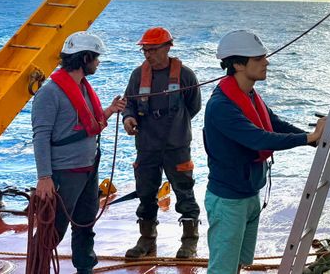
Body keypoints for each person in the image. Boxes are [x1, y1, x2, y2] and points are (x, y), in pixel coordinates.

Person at [203, 30, 329, 273]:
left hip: (249, 193)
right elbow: (258, 139)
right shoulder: (221, 106)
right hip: (229, 200)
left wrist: (312, 140)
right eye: (258, 59)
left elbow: (273, 123)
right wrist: (307, 138)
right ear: (238, 64)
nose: (266, 62)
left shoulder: (248, 94)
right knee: (222, 267)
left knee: (238, 262)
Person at [31, 31, 127, 274]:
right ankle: (38, 269)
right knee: (52, 230)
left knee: (85, 223)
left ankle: (85, 268)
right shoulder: (49, 93)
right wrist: (45, 177)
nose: (98, 62)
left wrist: (110, 110)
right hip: (65, 172)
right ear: (84, 58)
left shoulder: (82, 88)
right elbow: (40, 135)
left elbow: (86, 125)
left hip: (88, 168)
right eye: (95, 58)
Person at [121, 27, 202, 259]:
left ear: (167, 48)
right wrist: (128, 118)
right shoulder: (138, 75)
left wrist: (175, 124)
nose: (148, 54)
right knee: (145, 192)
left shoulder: (185, 75)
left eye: (153, 49)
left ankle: (189, 242)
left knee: (184, 192)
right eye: (145, 50)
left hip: (177, 146)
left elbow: (193, 106)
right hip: (147, 145)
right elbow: (130, 103)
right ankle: (146, 239)